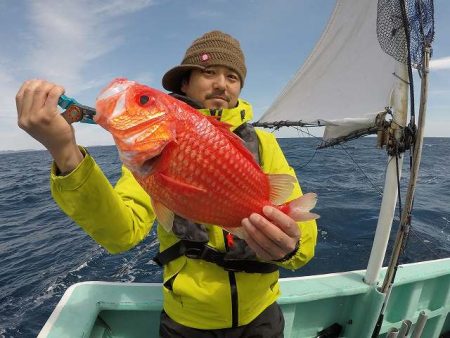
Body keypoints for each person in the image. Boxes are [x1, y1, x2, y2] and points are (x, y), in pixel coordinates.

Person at [16, 30, 318, 337]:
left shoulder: (264, 143)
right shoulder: (147, 154)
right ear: (185, 83)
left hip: (261, 316)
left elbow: (301, 243)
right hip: (187, 322)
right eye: (208, 72)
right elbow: (122, 234)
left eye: (232, 77)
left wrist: (290, 246)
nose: (221, 84)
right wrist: (65, 153)